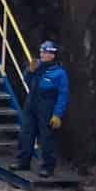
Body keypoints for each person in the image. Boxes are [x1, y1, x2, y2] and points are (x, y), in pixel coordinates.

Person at [19, 40, 69, 177]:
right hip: (31, 103)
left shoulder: (59, 73)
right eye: (41, 51)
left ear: (52, 55)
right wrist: (29, 71)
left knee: (47, 137)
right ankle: (23, 162)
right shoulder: (37, 67)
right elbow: (26, 80)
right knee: (26, 132)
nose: (42, 54)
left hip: (47, 106)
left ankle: (48, 167)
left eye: (45, 52)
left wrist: (57, 114)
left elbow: (63, 95)